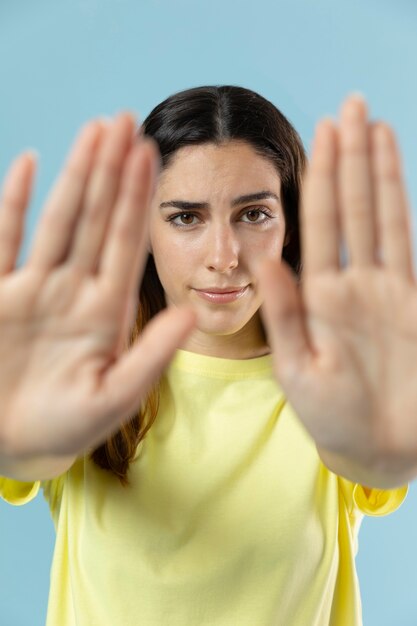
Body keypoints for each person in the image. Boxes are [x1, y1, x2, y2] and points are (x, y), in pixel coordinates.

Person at [0, 85, 413, 626]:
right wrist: (16, 441)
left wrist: (382, 453)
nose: (224, 257)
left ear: (290, 225)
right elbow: (28, 458)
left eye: (255, 215)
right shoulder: (86, 382)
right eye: (185, 218)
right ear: (141, 230)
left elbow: (369, 462)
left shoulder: (332, 386)